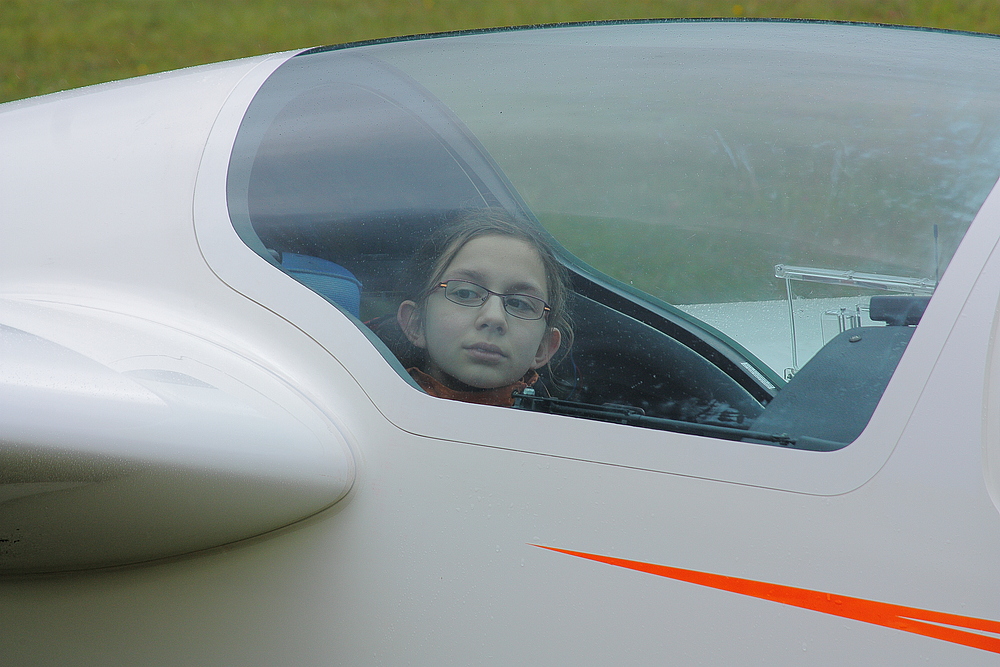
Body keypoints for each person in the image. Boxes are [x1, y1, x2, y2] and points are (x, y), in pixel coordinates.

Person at [393, 209, 573, 406]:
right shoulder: (362, 408)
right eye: (465, 293)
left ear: (543, 347)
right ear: (416, 323)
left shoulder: (564, 431)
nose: (494, 318)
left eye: (519, 303)